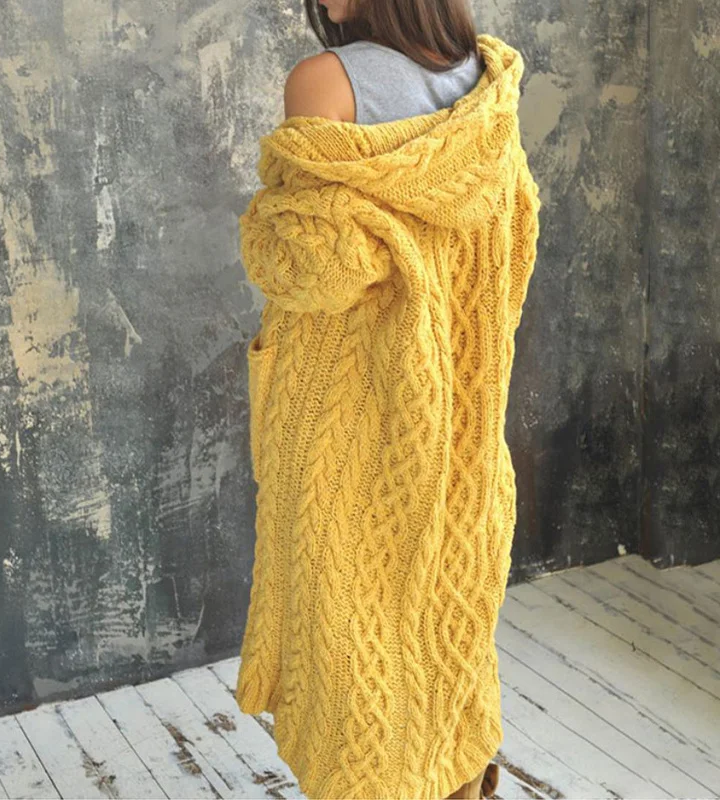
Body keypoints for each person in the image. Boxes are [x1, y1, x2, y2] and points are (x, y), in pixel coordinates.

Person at [236, 1, 541, 798]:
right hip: (458, 431)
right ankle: (457, 780)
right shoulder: (486, 87)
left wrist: (267, 224)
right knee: (444, 628)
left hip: (348, 430)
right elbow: (509, 251)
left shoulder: (326, 82)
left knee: (349, 653)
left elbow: (313, 264)